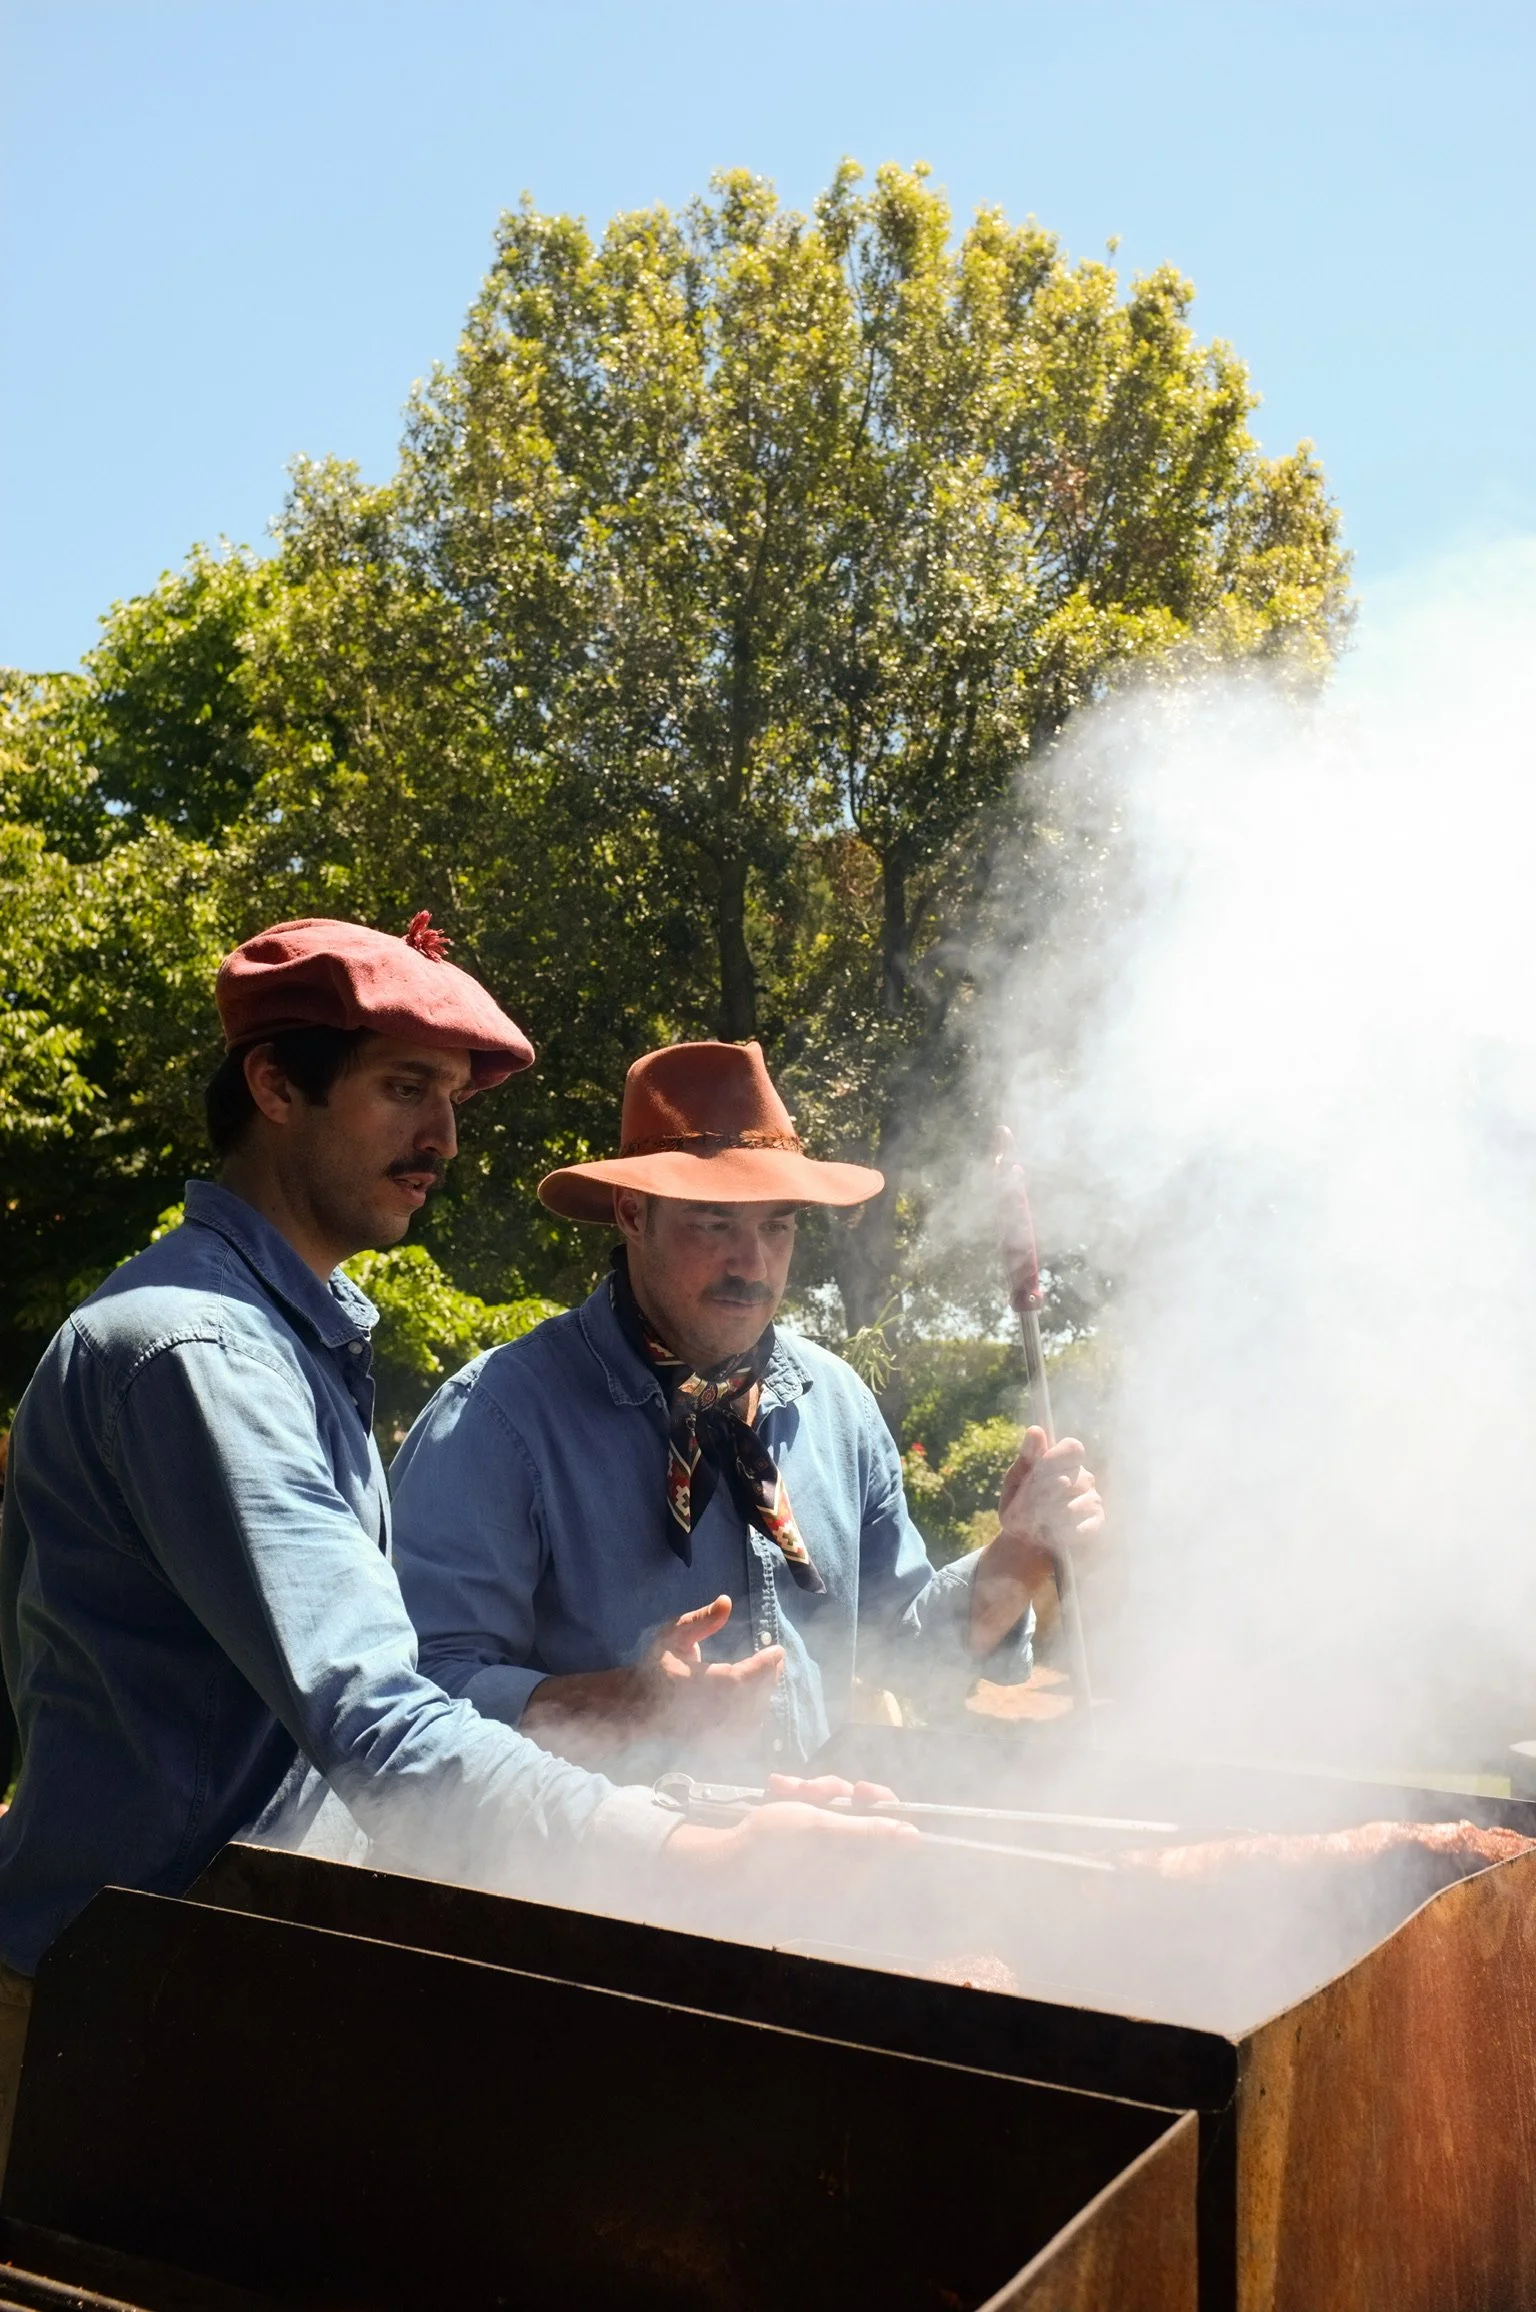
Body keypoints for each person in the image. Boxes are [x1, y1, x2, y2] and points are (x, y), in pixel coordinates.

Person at [0, 920, 903, 2170]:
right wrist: (698, 1855)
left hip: (243, 1965)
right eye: (404, 1088)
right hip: (141, 2003)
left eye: (454, 1098)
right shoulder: (201, 1356)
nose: (444, 1139)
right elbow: (379, 1716)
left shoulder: (282, 1338)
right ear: (275, 1085)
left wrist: (707, 1791)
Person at [391, 1038, 1103, 1777]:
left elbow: (913, 1651)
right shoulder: (501, 1419)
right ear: (634, 1214)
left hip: (798, 1875)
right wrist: (621, 1702)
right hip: (590, 1885)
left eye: (777, 1225)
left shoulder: (836, 1408)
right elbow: (413, 1697)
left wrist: (1019, 1551)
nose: (752, 1264)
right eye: (714, 1222)